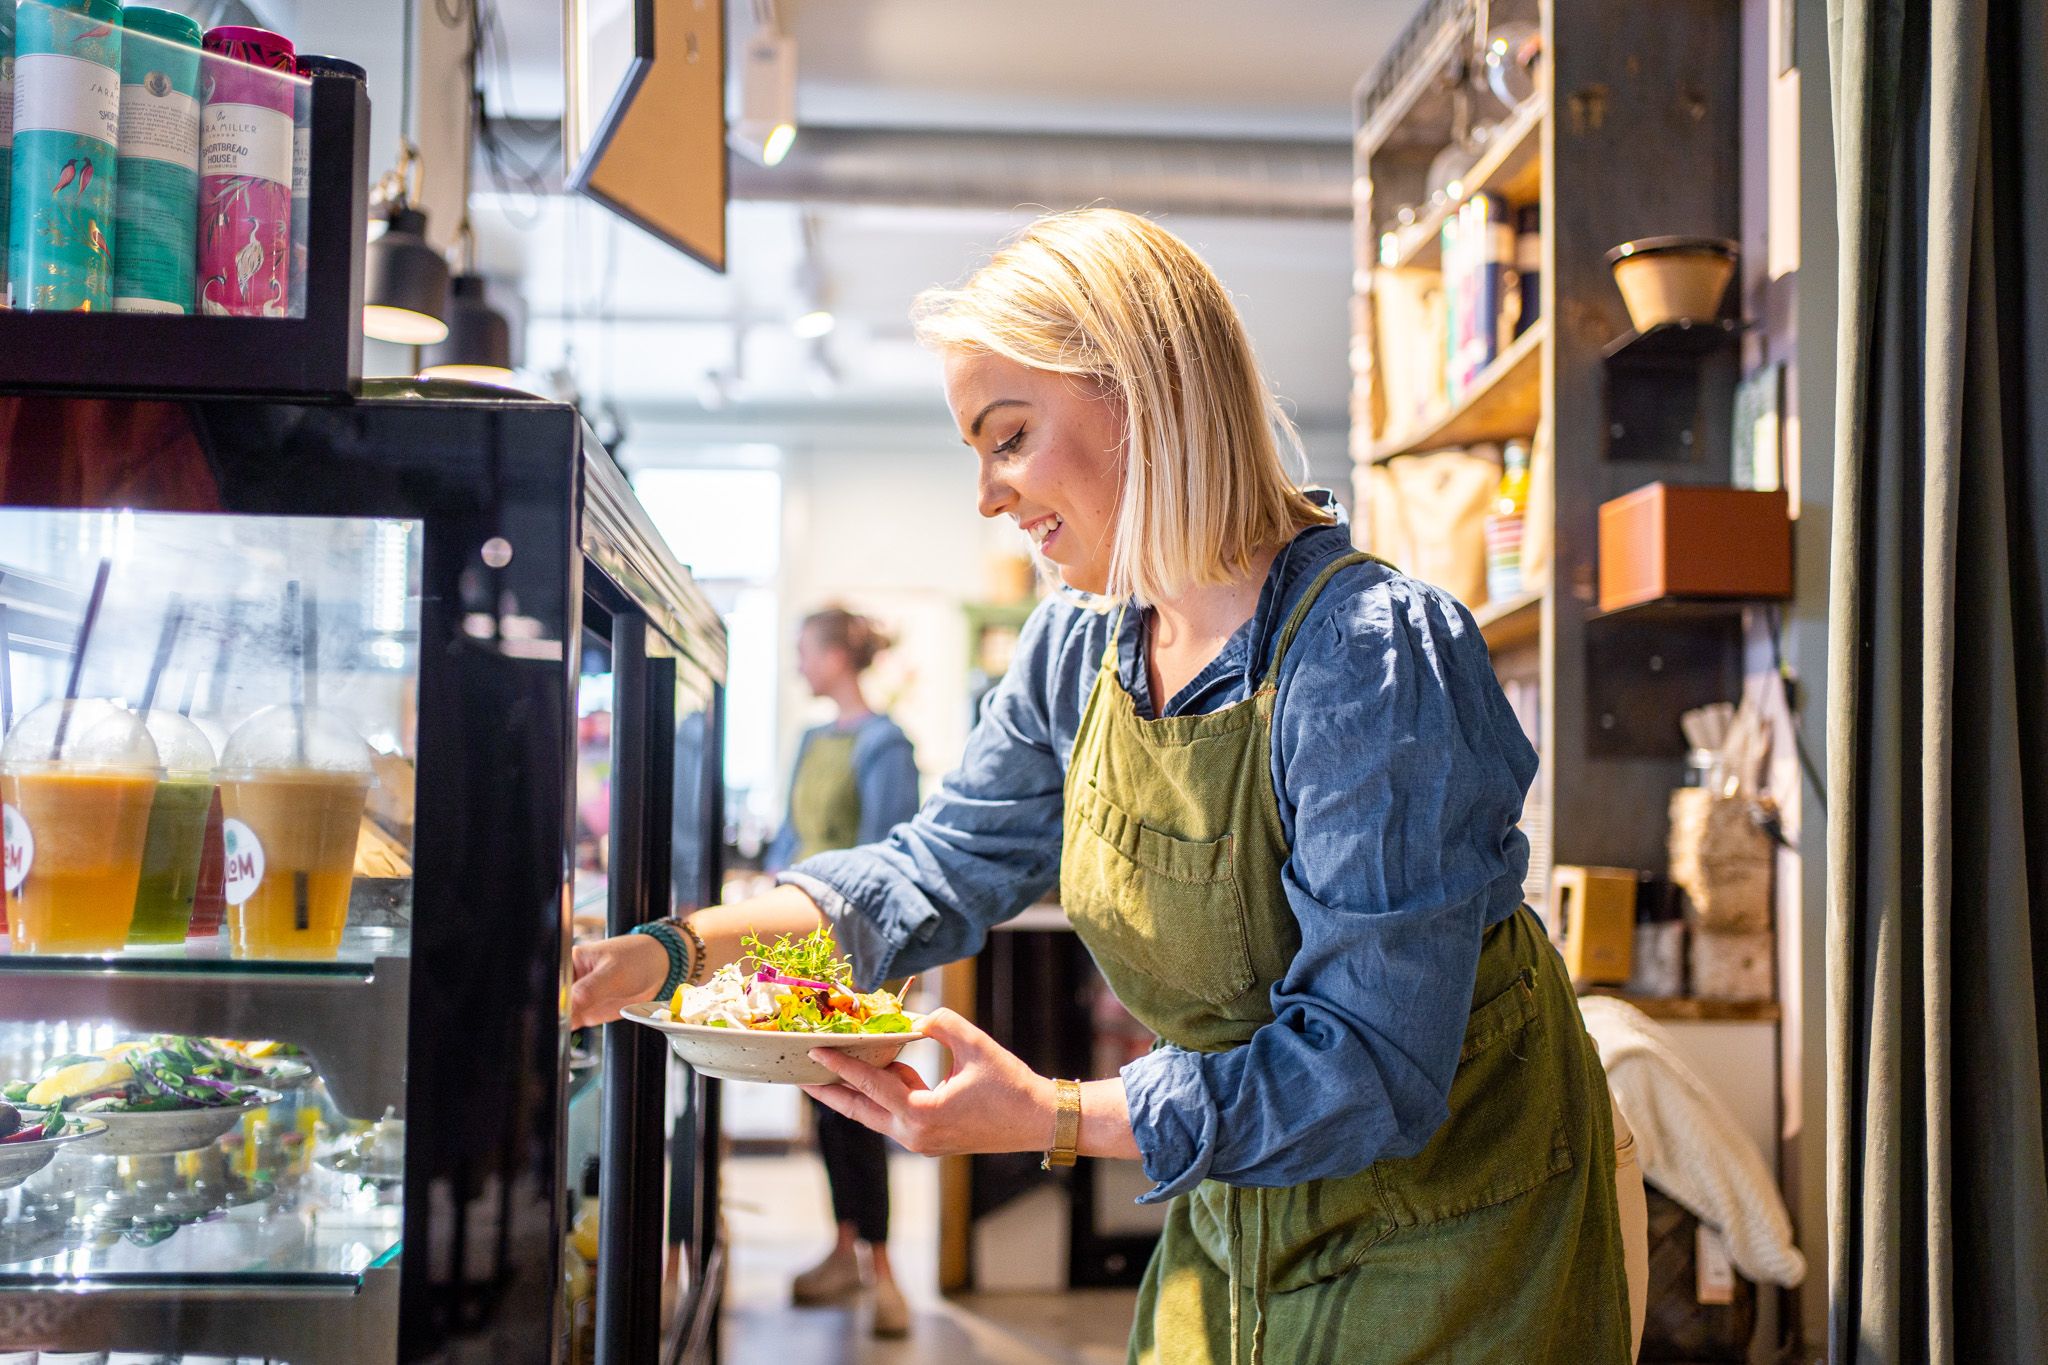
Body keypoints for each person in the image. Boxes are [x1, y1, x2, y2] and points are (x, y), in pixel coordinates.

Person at [574, 208, 1637, 1362]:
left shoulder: (1366, 657)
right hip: (1238, 1198)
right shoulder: (1079, 649)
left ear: (1145, 394)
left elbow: (1370, 1066)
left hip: (1449, 1226)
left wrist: (1052, 1116)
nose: (985, 492)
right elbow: (933, 869)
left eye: (1010, 435)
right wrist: (667, 953)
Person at [764, 607, 921, 1338]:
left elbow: (893, 856)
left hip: (860, 956)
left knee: (862, 1106)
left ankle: (884, 1272)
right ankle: (842, 1248)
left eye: (804, 650)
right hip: (806, 954)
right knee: (824, 1106)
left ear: (835, 656)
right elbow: (791, 839)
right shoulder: (809, 740)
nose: (798, 663)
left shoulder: (887, 744)